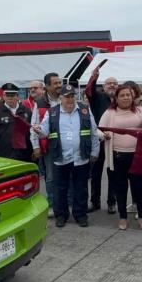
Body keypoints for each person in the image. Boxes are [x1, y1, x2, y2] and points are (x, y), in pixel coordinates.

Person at [33, 84, 100, 228]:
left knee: (81, 188)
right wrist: (39, 131)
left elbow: (94, 132)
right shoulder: (52, 112)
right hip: (60, 158)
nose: (70, 100)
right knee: (60, 189)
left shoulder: (84, 110)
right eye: (66, 97)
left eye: (72, 96)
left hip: (80, 157)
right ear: (61, 98)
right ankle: (61, 215)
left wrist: (95, 151)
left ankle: (80, 215)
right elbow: (45, 132)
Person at [99, 85, 142, 230]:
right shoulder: (110, 112)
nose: (126, 97)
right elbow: (98, 130)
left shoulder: (141, 110)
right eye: (122, 95)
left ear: (133, 97)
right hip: (118, 156)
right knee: (120, 188)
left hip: (138, 155)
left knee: (139, 187)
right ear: (116, 98)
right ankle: (122, 217)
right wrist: (104, 135)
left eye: (128, 95)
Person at [84, 66, 118, 214]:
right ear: (103, 87)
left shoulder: (121, 100)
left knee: (113, 173)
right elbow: (89, 91)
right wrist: (94, 77)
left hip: (115, 141)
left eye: (114, 83)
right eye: (109, 83)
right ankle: (94, 201)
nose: (112, 85)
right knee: (96, 173)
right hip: (98, 140)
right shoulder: (98, 97)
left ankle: (112, 202)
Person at [32, 72, 64, 218]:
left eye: (60, 83)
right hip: (49, 146)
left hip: (68, 145)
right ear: (47, 86)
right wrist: (35, 146)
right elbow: (34, 126)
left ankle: (67, 203)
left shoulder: (68, 97)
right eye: (56, 83)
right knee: (50, 177)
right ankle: (52, 204)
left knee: (67, 176)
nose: (59, 85)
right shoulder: (39, 103)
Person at [0, 83, 34, 162]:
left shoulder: (26, 111)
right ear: (4, 96)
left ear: (17, 96)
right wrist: (1, 144)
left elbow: (31, 131)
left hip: (24, 153)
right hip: (4, 153)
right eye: (7, 95)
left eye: (12, 95)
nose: (10, 98)